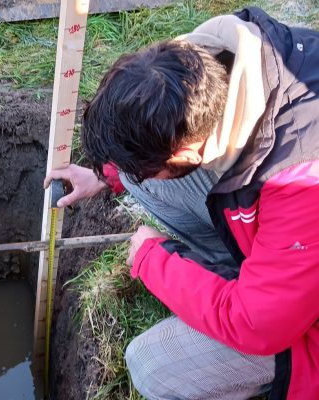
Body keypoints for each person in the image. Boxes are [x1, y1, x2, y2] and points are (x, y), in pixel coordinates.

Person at [44, 7, 319, 400]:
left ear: (187, 154)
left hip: (302, 324)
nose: (129, 175)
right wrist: (106, 177)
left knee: (151, 366)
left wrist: (155, 261)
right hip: (290, 261)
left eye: (144, 167)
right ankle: (240, 272)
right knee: (144, 185)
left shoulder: (301, 182)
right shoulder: (210, 66)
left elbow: (258, 325)